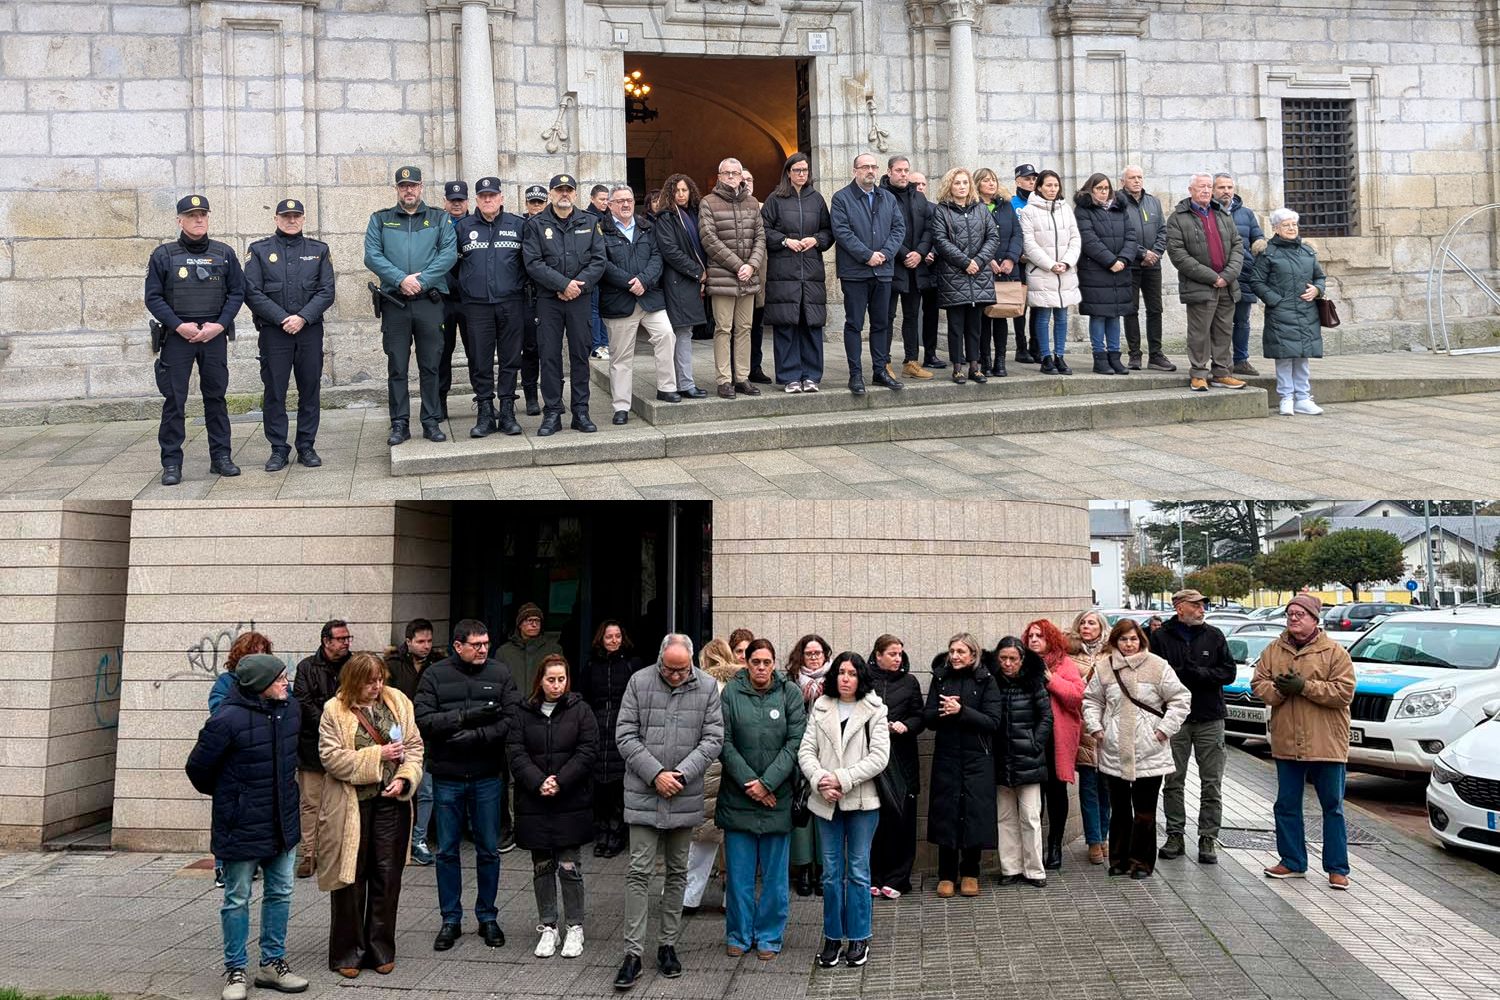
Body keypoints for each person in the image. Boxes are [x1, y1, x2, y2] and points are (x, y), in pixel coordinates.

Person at [184, 653, 307, 1000]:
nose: (287, 683)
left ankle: (272, 963)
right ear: (260, 685)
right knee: (237, 897)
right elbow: (198, 769)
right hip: (241, 824)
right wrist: (233, 795)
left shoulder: (290, 710)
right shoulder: (226, 719)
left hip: (282, 822)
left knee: (280, 892)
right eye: (281, 678)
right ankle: (235, 969)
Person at [613, 634, 724, 991]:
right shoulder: (639, 681)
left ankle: (667, 945)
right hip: (645, 792)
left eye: (682, 670)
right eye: (669, 670)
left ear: (691, 662)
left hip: (685, 791)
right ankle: (632, 952)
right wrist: (656, 774)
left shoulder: (707, 686)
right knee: (639, 871)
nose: (676, 676)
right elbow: (625, 734)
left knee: (678, 871)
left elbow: (713, 738)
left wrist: (682, 774)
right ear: (660, 660)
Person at [414, 618, 522, 952]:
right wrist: (466, 717)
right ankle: (451, 919)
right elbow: (423, 720)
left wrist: (477, 733)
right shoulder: (434, 675)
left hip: (487, 775)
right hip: (446, 775)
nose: (483, 650)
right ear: (457, 646)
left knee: (488, 850)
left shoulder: (499, 673)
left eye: (486, 643)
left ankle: (487, 917)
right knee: (447, 851)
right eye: (476, 645)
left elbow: (511, 718)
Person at [316, 652, 425, 978]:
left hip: (392, 804)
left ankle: (380, 948)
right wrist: (379, 755)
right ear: (353, 681)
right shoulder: (333, 711)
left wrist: (405, 778)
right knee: (351, 877)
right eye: (369, 681)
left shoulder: (399, 703)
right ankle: (348, 952)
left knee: (387, 876)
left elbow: (415, 748)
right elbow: (331, 758)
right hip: (351, 805)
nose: (377, 686)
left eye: (380, 679)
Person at [1251, 595, 1355, 889]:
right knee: (1286, 804)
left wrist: (1305, 687)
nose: (1293, 618)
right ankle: (1292, 861)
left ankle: (1337, 868)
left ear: (1314, 619)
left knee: (1332, 806)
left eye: (1300, 614)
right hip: (1287, 742)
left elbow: (1343, 693)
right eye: (1289, 614)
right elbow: (1258, 683)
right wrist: (1279, 691)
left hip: (1326, 743)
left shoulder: (1334, 652)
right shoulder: (1273, 650)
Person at [144, 194, 245, 486]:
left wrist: (220, 324)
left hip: (213, 336)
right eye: (191, 215)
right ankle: (172, 463)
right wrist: (178, 326)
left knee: (216, 398)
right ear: (180, 220)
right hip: (178, 339)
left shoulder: (224, 253)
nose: (198, 219)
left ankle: (221, 458)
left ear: (208, 218)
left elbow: (237, 292)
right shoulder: (164, 255)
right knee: (175, 401)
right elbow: (153, 297)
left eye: (202, 214)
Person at [799, 652, 889, 969]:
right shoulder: (821, 706)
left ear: (861, 676)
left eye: (851, 672)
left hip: (862, 803)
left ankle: (860, 936)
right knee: (831, 874)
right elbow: (806, 751)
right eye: (840, 672)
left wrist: (842, 778)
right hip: (826, 801)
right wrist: (821, 780)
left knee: (859, 872)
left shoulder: (876, 709)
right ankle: (833, 937)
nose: (845, 678)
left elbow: (879, 757)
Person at [717, 637, 806, 960]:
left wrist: (768, 784)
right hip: (738, 796)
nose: (761, 668)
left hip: (777, 796)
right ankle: (739, 934)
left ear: (774, 664)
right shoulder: (730, 693)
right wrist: (750, 784)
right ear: (747, 663)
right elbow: (723, 742)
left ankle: (769, 936)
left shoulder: (789, 692)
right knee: (739, 878)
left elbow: (796, 741)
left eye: (767, 662)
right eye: (756, 662)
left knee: (774, 878)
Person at [1083, 618, 1191, 879]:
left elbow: (1180, 698)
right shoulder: (1104, 668)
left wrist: (1163, 730)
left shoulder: (1158, 666)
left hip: (1149, 748)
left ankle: (1142, 862)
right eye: (1123, 639)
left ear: (1141, 640)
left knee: (1144, 811)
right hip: (1114, 747)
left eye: (1133, 639)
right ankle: (1119, 860)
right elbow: (1091, 700)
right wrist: (1097, 729)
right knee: (1118, 809)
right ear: (1115, 641)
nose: (1128, 644)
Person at [508, 653, 599, 958]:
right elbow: (516, 752)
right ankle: (549, 926)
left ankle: (575, 926)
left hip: (569, 798)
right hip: (535, 801)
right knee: (542, 865)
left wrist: (560, 780)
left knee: (570, 865)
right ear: (540, 680)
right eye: (551, 679)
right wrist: (538, 782)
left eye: (561, 679)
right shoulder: (523, 712)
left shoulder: (580, 710)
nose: (557, 685)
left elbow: (588, 750)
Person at [364, 166, 459, 445]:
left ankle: (430, 421)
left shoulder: (439, 218)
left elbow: (448, 254)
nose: (409, 190)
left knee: (431, 364)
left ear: (421, 187)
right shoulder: (380, 219)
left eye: (413, 185)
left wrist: (423, 281)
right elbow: (372, 255)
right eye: (403, 185)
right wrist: (399, 279)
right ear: (396, 189)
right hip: (395, 303)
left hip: (428, 302)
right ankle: (399, 424)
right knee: (397, 366)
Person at [243, 198, 336, 471]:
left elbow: (327, 291)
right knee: (275, 391)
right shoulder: (259, 251)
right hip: (274, 333)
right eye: (286, 216)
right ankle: (278, 449)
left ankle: (306, 446)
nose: (291, 220)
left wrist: (303, 317)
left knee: (310, 389)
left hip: (308, 331)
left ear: (304, 219)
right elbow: (252, 291)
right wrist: (283, 318)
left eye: (296, 216)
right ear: (276, 219)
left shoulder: (318, 250)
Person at [1151, 588, 1236, 865]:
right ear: (1180, 608)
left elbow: (1229, 672)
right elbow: (1152, 675)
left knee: (1212, 782)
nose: (1202, 609)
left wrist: (1201, 674)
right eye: (1196, 605)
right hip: (1175, 721)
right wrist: (1176, 676)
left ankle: (1208, 837)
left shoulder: (1214, 635)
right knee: (1173, 781)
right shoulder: (1161, 637)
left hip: (1210, 717)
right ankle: (1174, 833)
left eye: (1203, 605)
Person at [522, 173, 607, 435]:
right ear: (550, 194)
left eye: (569, 190)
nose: (564, 194)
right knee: (549, 357)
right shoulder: (536, 225)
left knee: (580, 355)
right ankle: (552, 413)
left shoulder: (590, 222)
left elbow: (599, 260)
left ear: (575, 193)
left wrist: (575, 286)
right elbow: (533, 263)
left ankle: (581, 411)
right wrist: (562, 285)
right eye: (559, 190)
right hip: (549, 301)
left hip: (579, 300)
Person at [924, 632, 1002, 898]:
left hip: (977, 759)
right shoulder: (940, 678)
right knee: (946, 812)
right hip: (947, 756)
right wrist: (942, 713)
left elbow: (993, 722)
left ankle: (970, 872)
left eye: (961, 652)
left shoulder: (987, 681)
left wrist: (963, 711)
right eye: (952, 651)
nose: (955, 656)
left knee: (973, 814)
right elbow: (928, 717)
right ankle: (946, 874)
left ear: (973, 654)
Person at [454, 176, 529, 437]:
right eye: (483, 196)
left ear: (501, 198)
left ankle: (507, 412)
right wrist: (467, 287)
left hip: (511, 303)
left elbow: (527, 263)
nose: (488, 199)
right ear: (476, 200)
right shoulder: (463, 227)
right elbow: (453, 265)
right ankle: (485, 412)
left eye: (492, 195)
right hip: (476, 306)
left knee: (510, 359)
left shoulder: (518, 225)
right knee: (480, 361)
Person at [599, 184, 680, 425]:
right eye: (620, 200)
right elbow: (601, 263)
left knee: (666, 335)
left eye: (630, 200)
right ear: (610, 204)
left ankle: (667, 388)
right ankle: (621, 406)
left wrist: (643, 280)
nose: (626, 204)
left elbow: (658, 258)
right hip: (619, 300)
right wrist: (629, 282)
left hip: (649, 297)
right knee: (621, 356)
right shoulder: (600, 231)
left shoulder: (648, 228)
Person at [831, 152, 907, 394]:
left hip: (883, 272)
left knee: (881, 323)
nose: (870, 171)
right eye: (865, 167)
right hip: (855, 273)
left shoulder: (887, 198)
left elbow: (898, 228)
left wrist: (884, 253)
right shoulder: (842, 198)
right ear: (855, 171)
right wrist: (867, 255)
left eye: (874, 167)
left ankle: (880, 371)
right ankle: (855, 375)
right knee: (854, 324)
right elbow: (842, 233)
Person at [1165, 173, 1247, 392]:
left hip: (1227, 284)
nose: (1206, 191)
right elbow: (1178, 255)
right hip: (1200, 285)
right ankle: (1199, 374)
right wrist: (1213, 277)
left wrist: (1227, 276)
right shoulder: (1178, 217)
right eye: (1201, 186)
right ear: (1191, 190)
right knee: (1199, 333)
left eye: (1209, 187)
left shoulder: (1222, 213)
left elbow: (1237, 246)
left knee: (1223, 330)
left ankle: (1222, 372)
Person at [761, 152, 834, 393]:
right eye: (797, 170)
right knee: (786, 324)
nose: (802, 174)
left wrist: (815, 239)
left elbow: (828, 231)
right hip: (783, 272)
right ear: (788, 173)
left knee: (811, 325)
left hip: (811, 272)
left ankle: (811, 376)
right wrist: (784, 241)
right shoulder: (775, 199)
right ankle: (789, 376)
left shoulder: (817, 199)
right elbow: (763, 230)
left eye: (805, 170)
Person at [209, 632, 276, 889]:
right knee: (230, 815)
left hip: (263, 759)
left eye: (264, 652)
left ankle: (255, 862)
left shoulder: (275, 681)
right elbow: (219, 712)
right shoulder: (227, 682)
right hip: (235, 760)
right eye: (254, 652)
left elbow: (285, 709)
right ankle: (223, 867)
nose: (260, 656)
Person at [1244, 208, 1328, 416]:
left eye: (1294, 225)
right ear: (1275, 228)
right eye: (1286, 225)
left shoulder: (1307, 251)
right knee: (1284, 357)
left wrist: (1317, 290)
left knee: (1302, 356)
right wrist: (1275, 301)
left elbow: (1319, 277)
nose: (1291, 229)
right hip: (1281, 312)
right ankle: (1286, 398)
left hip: (1307, 312)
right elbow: (1256, 281)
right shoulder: (1268, 253)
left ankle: (1303, 397)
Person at [496, 603, 565, 851]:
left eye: (537, 620)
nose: (533, 624)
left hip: (548, 717)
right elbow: (499, 685)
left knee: (549, 772)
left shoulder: (553, 649)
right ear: (519, 624)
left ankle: (548, 824)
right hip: (516, 719)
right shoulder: (504, 653)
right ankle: (517, 826)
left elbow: (561, 681)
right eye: (528, 620)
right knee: (516, 777)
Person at [699, 157, 767, 400]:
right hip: (722, 277)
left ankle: (742, 378)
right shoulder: (708, 202)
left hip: (748, 277)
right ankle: (724, 379)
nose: (730, 177)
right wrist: (741, 266)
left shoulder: (751, 203)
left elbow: (760, 237)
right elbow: (709, 239)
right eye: (726, 173)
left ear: (741, 177)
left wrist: (753, 265)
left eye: (735, 173)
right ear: (719, 177)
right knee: (723, 328)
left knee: (745, 328)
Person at [576, 620, 645, 858]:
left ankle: (616, 833)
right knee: (599, 786)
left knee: (618, 784)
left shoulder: (631, 664)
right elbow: (582, 697)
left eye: (617, 636)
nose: (614, 640)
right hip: (596, 729)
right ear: (601, 639)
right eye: (609, 637)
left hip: (622, 728)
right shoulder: (591, 665)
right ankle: (601, 832)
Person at [926, 167, 1001, 384]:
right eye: (957, 183)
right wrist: (965, 262)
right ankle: (957, 367)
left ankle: (975, 367)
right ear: (950, 185)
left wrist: (977, 261)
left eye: (965, 183)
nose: (962, 187)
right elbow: (941, 240)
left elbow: (993, 237)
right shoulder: (942, 211)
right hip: (954, 275)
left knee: (975, 326)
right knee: (956, 325)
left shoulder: (980, 209)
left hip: (979, 274)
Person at [292, 620, 353, 878]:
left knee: (341, 802)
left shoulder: (355, 665)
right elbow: (303, 703)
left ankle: (337, 852)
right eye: (341, 639)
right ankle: (309, 853)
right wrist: (330, 723)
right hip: (311, 746)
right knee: (311, 803)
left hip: (346, 745)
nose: (346, 642)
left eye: (348, 638)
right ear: (326, 642)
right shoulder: (307, 667)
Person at [990, 637, 1053, 888]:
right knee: (1004, 817)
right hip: (1000, 759)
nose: (1007, 664)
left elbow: (1046, 717)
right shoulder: (992, 683)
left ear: (1022, 660)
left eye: (1012, 659)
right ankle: (1011, 868)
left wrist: (1035, 744)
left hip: (1029, 759)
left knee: (1030, 816)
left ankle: (1035, 870)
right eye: (1003, 658)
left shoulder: (1034, 682)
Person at [683, 638, 739, 914]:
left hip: (708, 765)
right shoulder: (740, 686)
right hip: (736, 767)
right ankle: (733, 898)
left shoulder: (701, 686)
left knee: (703, 837)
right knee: (736, 840)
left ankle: (689, 897)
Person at [1023, 619, 1083, 871]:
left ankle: (1055, 845)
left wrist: (1050, 678)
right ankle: (1034, 848)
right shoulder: (1021, 663)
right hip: (1028, 738)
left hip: (1056, 738)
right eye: (1031, 636)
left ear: (1051, 639)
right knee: (1032, 796)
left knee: (1056, 793)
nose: (1034, 640)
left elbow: (1077, 696)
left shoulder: (1063, 663)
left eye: (1040, 636)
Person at [867, 634, 924, 898]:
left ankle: (899, 878)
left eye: (900, 653)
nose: (897, 658)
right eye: (892, 653)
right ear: (878, 655)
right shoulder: (865, 681)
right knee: (875, 822)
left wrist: (907, 726)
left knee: (902, 820)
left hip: (902, 759)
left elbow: (920, 717)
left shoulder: (910, 682)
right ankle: (874, 876)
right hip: (873, 761)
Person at [1073, 173, 1140, 376]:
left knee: (1115, 315)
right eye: (1099, 188)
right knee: (1099, 315)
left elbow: (1131, 236)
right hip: (1096, 270)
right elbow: (1088, 239)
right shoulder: (1084, 210)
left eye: (1106, 188)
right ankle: (1099, 356)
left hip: (1120, 270)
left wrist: (1123, 260)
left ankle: (1114, 355)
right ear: (1090, 190)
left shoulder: (1120, 208)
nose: (1103, 192)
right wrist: (1110, 261)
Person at [651, 174, 711, 400]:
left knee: (684, 332)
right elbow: (670, 251)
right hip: (678, 280)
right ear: (669, 194)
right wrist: (698, 272)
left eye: (685, 190)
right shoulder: (666, 218)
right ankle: (683, 383)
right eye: (676, 191)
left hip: (693, 280)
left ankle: (682, 381)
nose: (681, 194)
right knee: (681, 332)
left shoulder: (694, 215)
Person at [384, 618, 437, 866]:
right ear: (408, 641)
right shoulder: (393, 665)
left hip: (427, 735)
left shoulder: (437, 665)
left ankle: (419, 839)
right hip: (399, 735)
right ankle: (398, 838)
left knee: (425, 789)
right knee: (400, 786)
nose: (426, 646)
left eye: (429, 641)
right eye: (420, 641)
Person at [1019, 169, 1081, 375]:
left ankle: (1060, 356)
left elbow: (1075, 239)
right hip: (1042, 271)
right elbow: (1029, 243)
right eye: (1048, 185)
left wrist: (1066, 262)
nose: (1053, 189)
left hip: (1064, 272)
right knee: (1043, 316)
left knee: (1062, 316)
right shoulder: (1029, 211)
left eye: (1056, 185)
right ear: (1039, 187)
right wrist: (1049, 264)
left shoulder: (1066, 209)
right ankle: (1045, 357)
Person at [787, 633, 833, 896]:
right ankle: (804, 869)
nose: (814, 658)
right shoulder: (791, 682)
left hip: (827, 756)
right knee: (802, 810)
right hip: (798, 753)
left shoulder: (837, 679)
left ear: (825, 655)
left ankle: (824, 869)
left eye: (818, 653)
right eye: (809, 654)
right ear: (800, 656)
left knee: (825, 811)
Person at [882, 155, 936, 380]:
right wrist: (905, 253)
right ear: (889, 172)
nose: (903, 174)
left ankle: (911, 361)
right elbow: (884, 229)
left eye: (906, 170)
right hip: (892, 265)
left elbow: (930, 226)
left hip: (916, 267)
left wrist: (920, 253)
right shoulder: (881, 196)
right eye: (899, 170)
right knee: (887, 316)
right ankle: (883, 362)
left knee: (912, 315)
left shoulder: (918, 197)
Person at [1068, 611, 1113, 865]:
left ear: (1101, 628)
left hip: (1107, 727)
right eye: (1083, 623)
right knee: (1088, 787)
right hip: (1082, 726)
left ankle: (1104, 835)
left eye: (1091, 623)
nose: (1086, 626)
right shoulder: (1071, 655)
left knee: (1106, 787)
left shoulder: (1111, 654)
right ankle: (1093, 840)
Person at [1119, 166, 1174, 371]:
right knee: (1131, 309)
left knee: (1155, 309)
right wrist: (1142, 254)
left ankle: (1156, 354)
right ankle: (1134, 353)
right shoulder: (1118, 203)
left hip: (1153, 266)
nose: (1136, 181)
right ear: (1122, 181)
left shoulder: (1153, 202)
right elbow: (1121, 233)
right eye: (1131, 178)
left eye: (1139, 177)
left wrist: (1155, 254)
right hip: (1130, 264)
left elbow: (1162, 230)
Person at [973, 167, 1024, 378]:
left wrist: (1011, 258)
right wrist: (988, 260)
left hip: (1006, 270)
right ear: (978, 184)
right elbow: (973, 238)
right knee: (985, 317)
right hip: (984, 270)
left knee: (1002, 315)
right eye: (986, 180)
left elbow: (1016, 233)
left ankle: (1000, 361)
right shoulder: (974, 207)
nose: (991, 184)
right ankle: (985, 360)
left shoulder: (1005, 205)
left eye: (993, 180)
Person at [1214, 173, 1266, 377]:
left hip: (1244, 274)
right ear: (1213, 189)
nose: (1226, 191)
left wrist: (1255, 260)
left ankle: (1241, 360)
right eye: (1221, 187)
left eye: (1229, 187)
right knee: (1218, 320)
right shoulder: (1209, 213)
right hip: (1218, 274)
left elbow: (1258, 239)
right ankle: (1219, 360)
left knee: (1242, 320)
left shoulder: (1246, 214)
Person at [438, 180, 471, 418]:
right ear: (445, 202)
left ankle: (484, 401)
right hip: (443, 299)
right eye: (452, 200)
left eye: (460, 200)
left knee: (478, 352)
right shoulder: (436, 226)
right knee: (442, 353)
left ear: (468, 202)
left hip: (472, 300)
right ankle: (440, 403)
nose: (456, 204)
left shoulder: (476, 224)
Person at [909, 169, 947, 370]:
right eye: (916, 184)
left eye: (923, 184)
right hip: (913, 266)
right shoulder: (903, 206)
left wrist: (932, 252)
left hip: (932, 268)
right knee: (912, 313)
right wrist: (920, 253)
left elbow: (939, 235)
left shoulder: (934, 208)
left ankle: (930, 354)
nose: (920, 187)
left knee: (931, 313)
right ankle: (912, 356)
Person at [739, 168, 772, 385]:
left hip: (761, 274)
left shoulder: (764, 208)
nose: (746, 183)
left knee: (757, 326)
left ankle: (755, 367)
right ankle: (737, 369)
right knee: (738, 326)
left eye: (749, 179)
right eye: (742, 180)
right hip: (739, 274)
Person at [1009, 164, 1044, 365]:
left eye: (1034, 179)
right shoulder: (1012, 204)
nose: (1031, 182)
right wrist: (1018, 253)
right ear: (1017, 181)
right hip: (1021, 262)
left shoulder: (1041, 204)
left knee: (1038, 305)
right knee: (1019, 306)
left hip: (1039, 262)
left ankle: (1036, 346)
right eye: (1027, 179)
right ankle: (1021, 347)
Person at [519, 183, 550, 414]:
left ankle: (553, 394)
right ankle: (531, 396)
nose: (537, 206)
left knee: (551, 347)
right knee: (530, 348)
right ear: (527, 204)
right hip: (528, 294)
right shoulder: (521, 226)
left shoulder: (555, 223)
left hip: (551, 293)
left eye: (540, 202)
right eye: (533, 202)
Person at [587, 183, 612, 362]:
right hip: (594, 269)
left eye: (606, 200)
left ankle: (605, 343)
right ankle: (596, 345)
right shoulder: (588, 217)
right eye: (601, 199)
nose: (605, 203)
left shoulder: (608, 217)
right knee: (594, 309)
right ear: (592, 199)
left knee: (603, 309)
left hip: (607, 269)